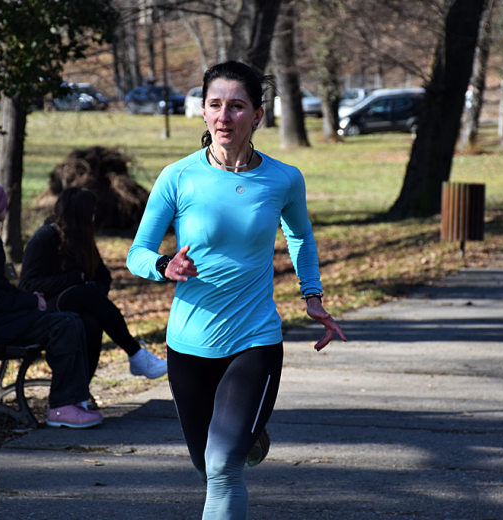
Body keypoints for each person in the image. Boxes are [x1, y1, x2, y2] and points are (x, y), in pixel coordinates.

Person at [126, 61, 347, 519]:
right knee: (207, 468)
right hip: (188, 344)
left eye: (236, 106)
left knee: (223, 467)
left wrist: (313, 296)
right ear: (203, 113)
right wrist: (166, 265)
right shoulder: (178, 177)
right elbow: (138, 253)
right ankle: (249, 435)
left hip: (254, 341)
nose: (224, 116)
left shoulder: (283, 178)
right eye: (215, 105)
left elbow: (301, 236)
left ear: (258, 116)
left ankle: (241, 435)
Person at [0, 170, 102, 429]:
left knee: (71, 320)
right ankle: (62, 407)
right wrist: (29, 303)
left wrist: (30, 299)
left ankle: (73, 401)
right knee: (64, 324)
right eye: (1, 202)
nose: (5, 206)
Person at [19, 187, 167, 401]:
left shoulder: (81, 239)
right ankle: (135, 353)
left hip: (74, 308)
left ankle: (79, 394)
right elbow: (27, 285)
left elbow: (103, 278)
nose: (95, 217)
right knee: (84, 292)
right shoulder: (44, 238)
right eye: (92, 212)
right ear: (80, 214)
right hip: (43, 311)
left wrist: (91, 293)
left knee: (92, 323)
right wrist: (74, 280)